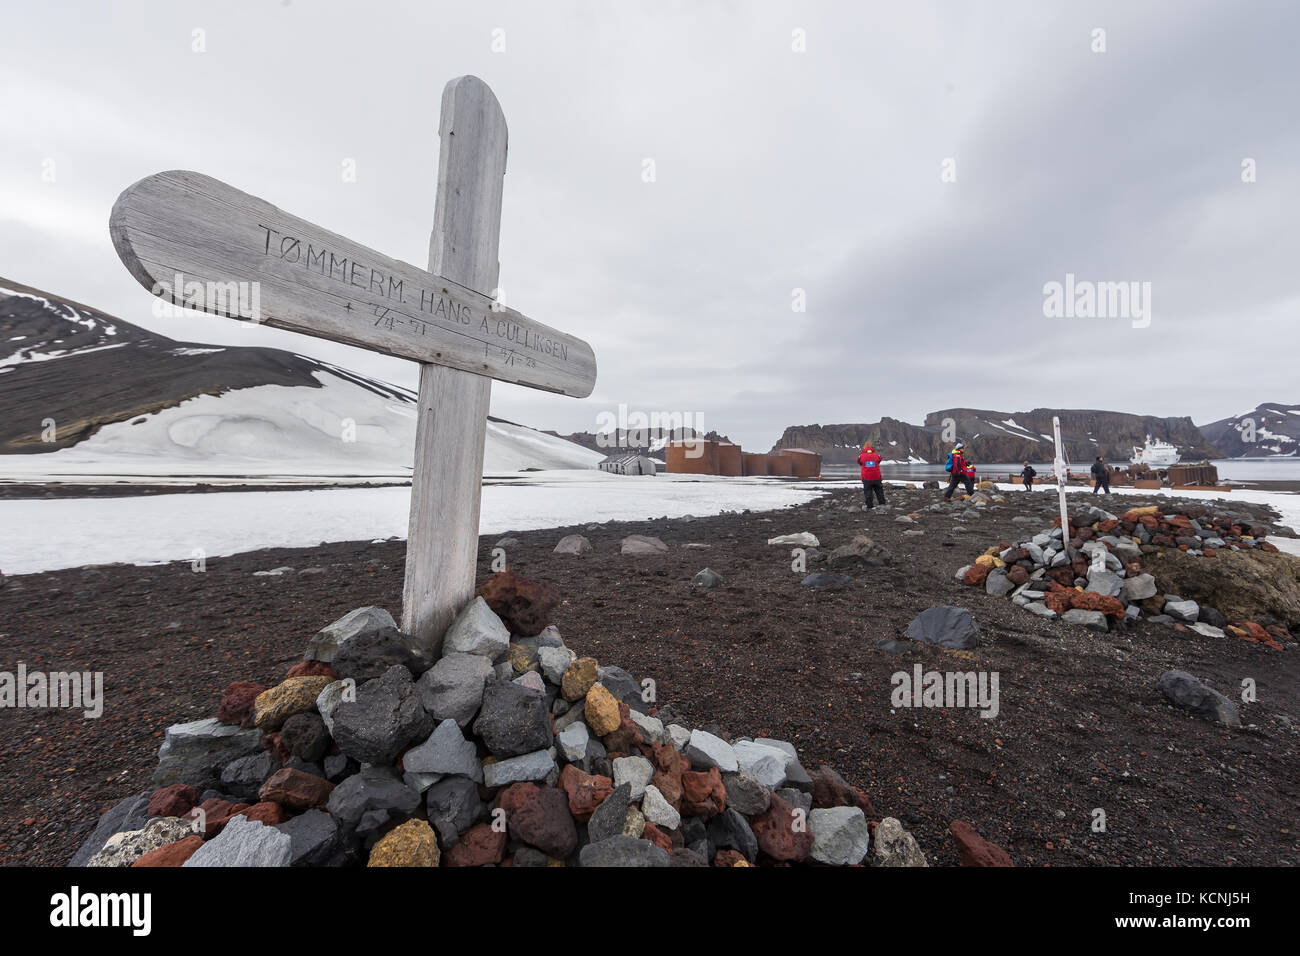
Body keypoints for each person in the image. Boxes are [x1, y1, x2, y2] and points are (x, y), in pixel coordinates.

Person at [858, 441, 886, 509]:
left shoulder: (861, 455)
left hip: (866, 477)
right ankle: (882, 503)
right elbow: (879, 460)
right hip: (876, 476)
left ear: (864, 447)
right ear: (871, 447)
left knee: (868, 491)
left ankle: (869, 505)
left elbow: (859, 462)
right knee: (879, 490)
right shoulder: (876, 455)